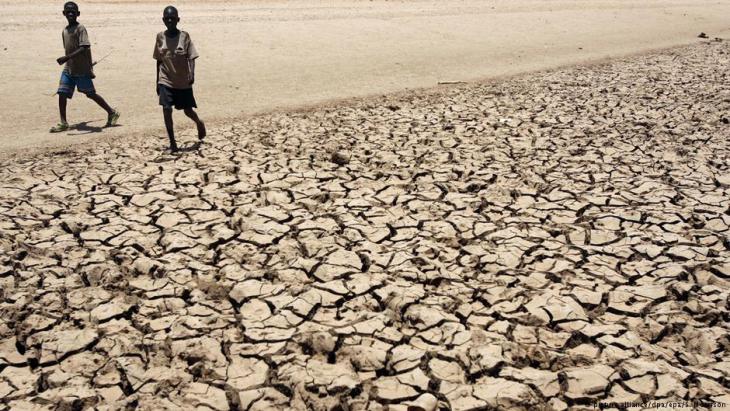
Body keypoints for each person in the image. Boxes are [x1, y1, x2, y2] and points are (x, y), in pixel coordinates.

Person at [51, 1, 120, 133]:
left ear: (78, 14)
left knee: (90, 94)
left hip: (81, 69)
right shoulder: (64, 30)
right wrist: (68, 60)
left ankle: (111, 112)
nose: (70, 14)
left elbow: (85, 47)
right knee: (62, 93)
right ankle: (63, 122)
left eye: (73, 12)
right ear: (64, 13)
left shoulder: (80, 28)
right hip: (69, 68)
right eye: (68, 11)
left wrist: (67, 58)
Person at [153, 5, 206, 153]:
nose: (170, 21)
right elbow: (159, 60)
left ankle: (199, 122)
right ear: (163, 20)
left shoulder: (184, 36)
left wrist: (192, 74)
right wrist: (157, 81)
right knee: (166, 109)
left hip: (182, 81)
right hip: (165, 79)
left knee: (188, 111)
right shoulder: (159, 37)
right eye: (167, 18)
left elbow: (191, 56)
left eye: (173, 18)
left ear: (178, 19)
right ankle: (173, 143)